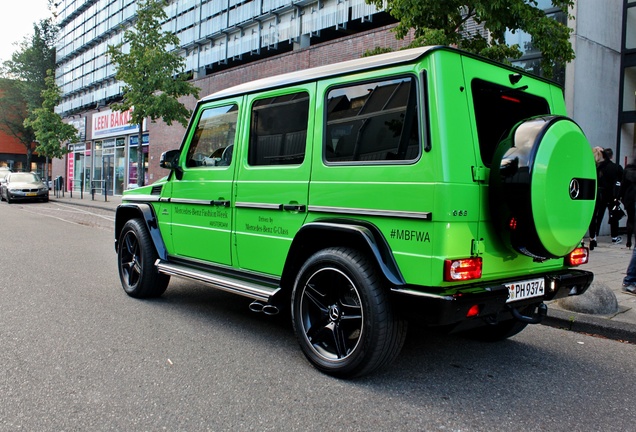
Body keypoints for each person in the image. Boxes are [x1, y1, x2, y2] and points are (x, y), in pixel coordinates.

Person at [588, 147, 623, 249]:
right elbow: (619, 181)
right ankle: (615, 236)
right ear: (610, 156)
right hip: (611, 195)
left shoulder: (596, 167)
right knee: (613, 214)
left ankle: (593, 237)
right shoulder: (615, 167)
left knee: (596, 216)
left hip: (597, 194)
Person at [620, 157, 636, 249]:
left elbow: (623, 185)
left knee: (630, 219)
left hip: (629, 198)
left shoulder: (627, 170)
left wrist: (619, 197)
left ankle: (629, 241)